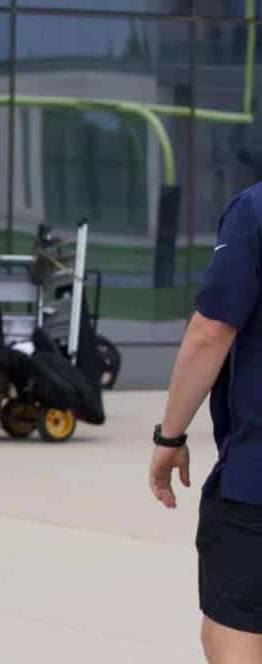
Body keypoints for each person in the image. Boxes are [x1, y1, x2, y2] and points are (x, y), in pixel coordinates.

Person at [150, 182, 262, 663]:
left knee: (233, 637)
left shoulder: (255, 210)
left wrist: (169, 435)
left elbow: (210, 332)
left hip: (255, 486)